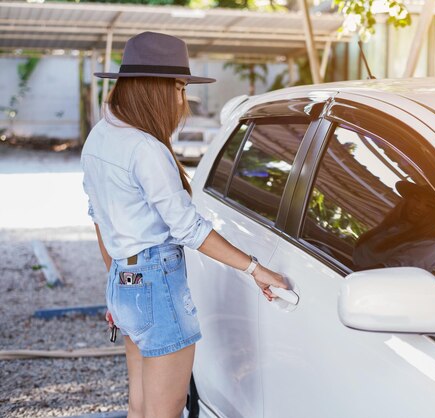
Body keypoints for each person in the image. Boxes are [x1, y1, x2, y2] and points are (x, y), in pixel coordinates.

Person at [81, 32, 286, 418]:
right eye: (179, 87)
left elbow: (99, 218)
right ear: (157, 89)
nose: (182, 100)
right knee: (164, 411)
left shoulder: (100, 136)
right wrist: (256, 269)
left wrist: (118, 285)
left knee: (139, 407)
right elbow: (188, 229)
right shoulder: (146, 149)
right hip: (156, 285)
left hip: (125, 282)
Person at [353, 180, 435, 271]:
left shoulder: (429, 246)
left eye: (429, 206)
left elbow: (390, 273)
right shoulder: (391, 228)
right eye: (416, 199)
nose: (418, 207)